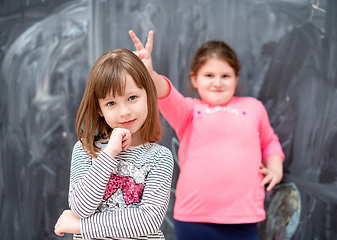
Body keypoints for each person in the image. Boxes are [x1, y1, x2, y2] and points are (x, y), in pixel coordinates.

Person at [129, 30, 284, 240]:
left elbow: (270, 142)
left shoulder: (253, 107)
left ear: (236, 77)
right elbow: (166, 94)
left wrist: (275, 168)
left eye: (225, 76)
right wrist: (150, 74)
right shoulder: (189, 110)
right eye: (209, 75)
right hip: (194, 217)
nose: (217, 82)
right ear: (194, 78)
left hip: (243, 218)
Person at [54, 48, 174, 240]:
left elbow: (148, 221)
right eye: (111, 103)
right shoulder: (85, 150)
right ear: (99, 109)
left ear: (148, 96)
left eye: (132, 98)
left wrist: (81, 226)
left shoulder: (160, 158)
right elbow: (81, 207)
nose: (124, 111)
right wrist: (109, 153)